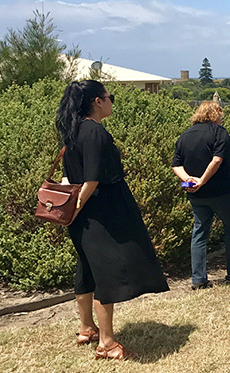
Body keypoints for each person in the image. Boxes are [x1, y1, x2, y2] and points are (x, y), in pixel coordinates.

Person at [55, 80, 169, 360]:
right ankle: (106, 342)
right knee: (105, 272)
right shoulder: (94, 131)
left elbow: (74, 176)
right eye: (110, 97)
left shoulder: (73, 130)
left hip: (82, 215)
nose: (111, 102)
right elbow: (92, 180)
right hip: (100, 212)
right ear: (97, 101)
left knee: (87, 269)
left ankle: (86, 328)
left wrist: (71, 214)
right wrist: (77, 209)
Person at [172, 101, 230, 290]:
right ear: (216, 115)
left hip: (196, 194)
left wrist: (189, 180)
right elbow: (217, 160)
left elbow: (176, 164)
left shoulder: (185, 136)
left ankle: (198, 279)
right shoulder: (219, 133)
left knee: (199, 232)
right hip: (221, 191)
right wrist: (203, 180)